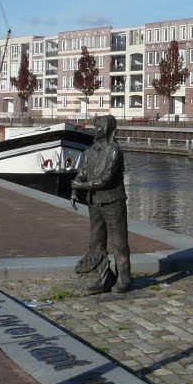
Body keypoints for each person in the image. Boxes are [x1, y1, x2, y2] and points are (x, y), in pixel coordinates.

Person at [70, 115, 131, 293]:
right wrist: (75, 189)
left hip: (113, 200)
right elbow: (82, 173)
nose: (94, 129)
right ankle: (99, 275)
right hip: (94, 201)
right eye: (95, 125)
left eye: (98, 126)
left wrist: (81, 186)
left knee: (119, 242)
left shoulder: (114, 151)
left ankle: (124, 278)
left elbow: (105, 178)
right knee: (96, 240)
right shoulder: (89, 151)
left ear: (106, 129)